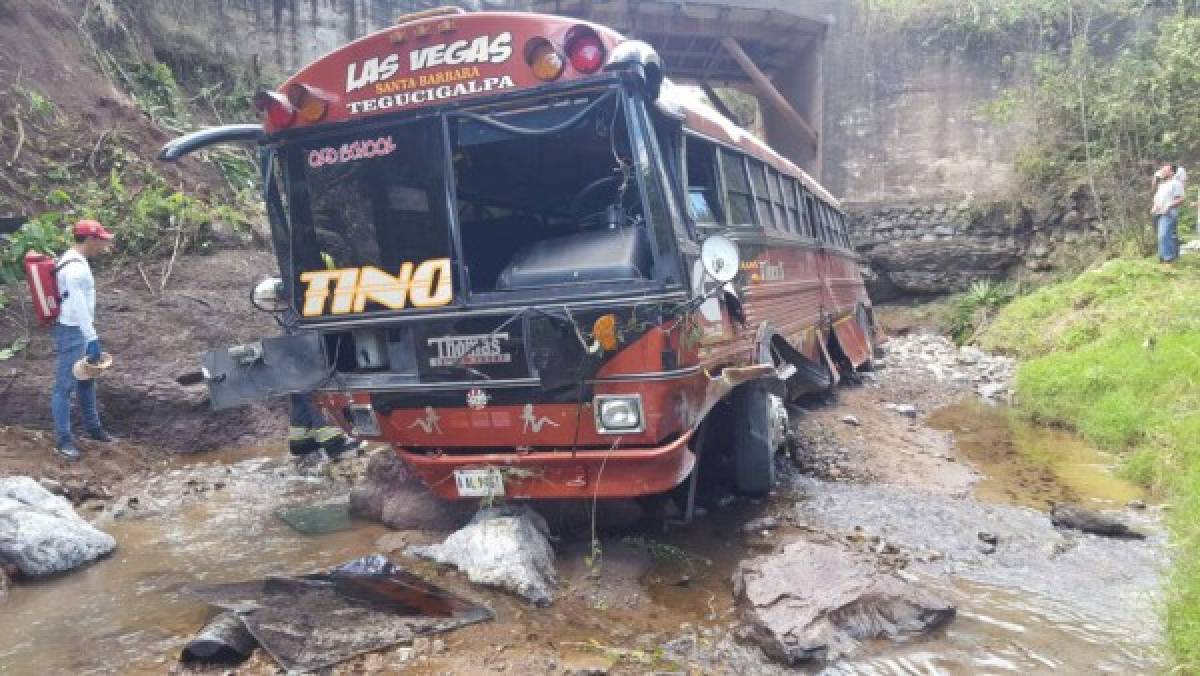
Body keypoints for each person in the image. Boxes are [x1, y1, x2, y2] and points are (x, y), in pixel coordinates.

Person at [51, 219, 116, 460]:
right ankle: (64, 440)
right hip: (73, 331)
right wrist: (92, 338)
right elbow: (78, 307)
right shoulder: (75, 270)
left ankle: (94, 429)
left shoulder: (73, 260)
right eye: (101, 241)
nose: (104, 246)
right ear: (90, 240)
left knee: (86, 379)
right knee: (64, 386)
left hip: (77, 329)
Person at [288, 393, 366, 459]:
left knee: (299, 391)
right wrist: (350, 432)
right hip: (329, 441)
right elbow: (330, 405)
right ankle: (331, 442)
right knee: (310, 393)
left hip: (300, 445)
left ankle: (300, 440)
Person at [1150, 164, 1185, 263]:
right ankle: (1168, 257)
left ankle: (1168, 259)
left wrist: (1169, 206)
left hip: (1168, 213)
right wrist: (1154, 206)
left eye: (1165, 170)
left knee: (1164, 235)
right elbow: (1156, 196)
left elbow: (1182, 199)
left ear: (1172, 172)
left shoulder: (1176, 184)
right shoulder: (1161, 185)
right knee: (1167, 235)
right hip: (1158, 213)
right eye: (1162, 170)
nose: (1162, 172)